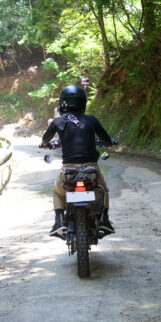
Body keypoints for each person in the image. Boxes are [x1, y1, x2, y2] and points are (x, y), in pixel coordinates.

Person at [39, 84, 117, 238]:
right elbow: (106, 140)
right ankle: (105, 220)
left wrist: (44, 144)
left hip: (68, 170)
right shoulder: (91, 120)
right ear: (83, 102)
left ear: (63, 102)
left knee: (57, 192)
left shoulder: (58, 121)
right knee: (103, 190)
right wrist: (109, 143)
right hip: (91, 170)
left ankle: (59, 221)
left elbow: (45, 139)